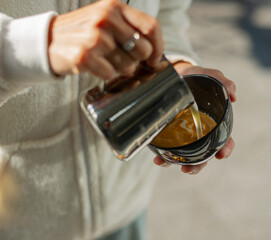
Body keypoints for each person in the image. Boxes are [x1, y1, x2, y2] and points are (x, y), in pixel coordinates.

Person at [0, 0, 236, 239]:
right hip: (17, 221)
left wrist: (175, 67)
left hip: (123, 207)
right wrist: (29, 45)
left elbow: (168, 12)